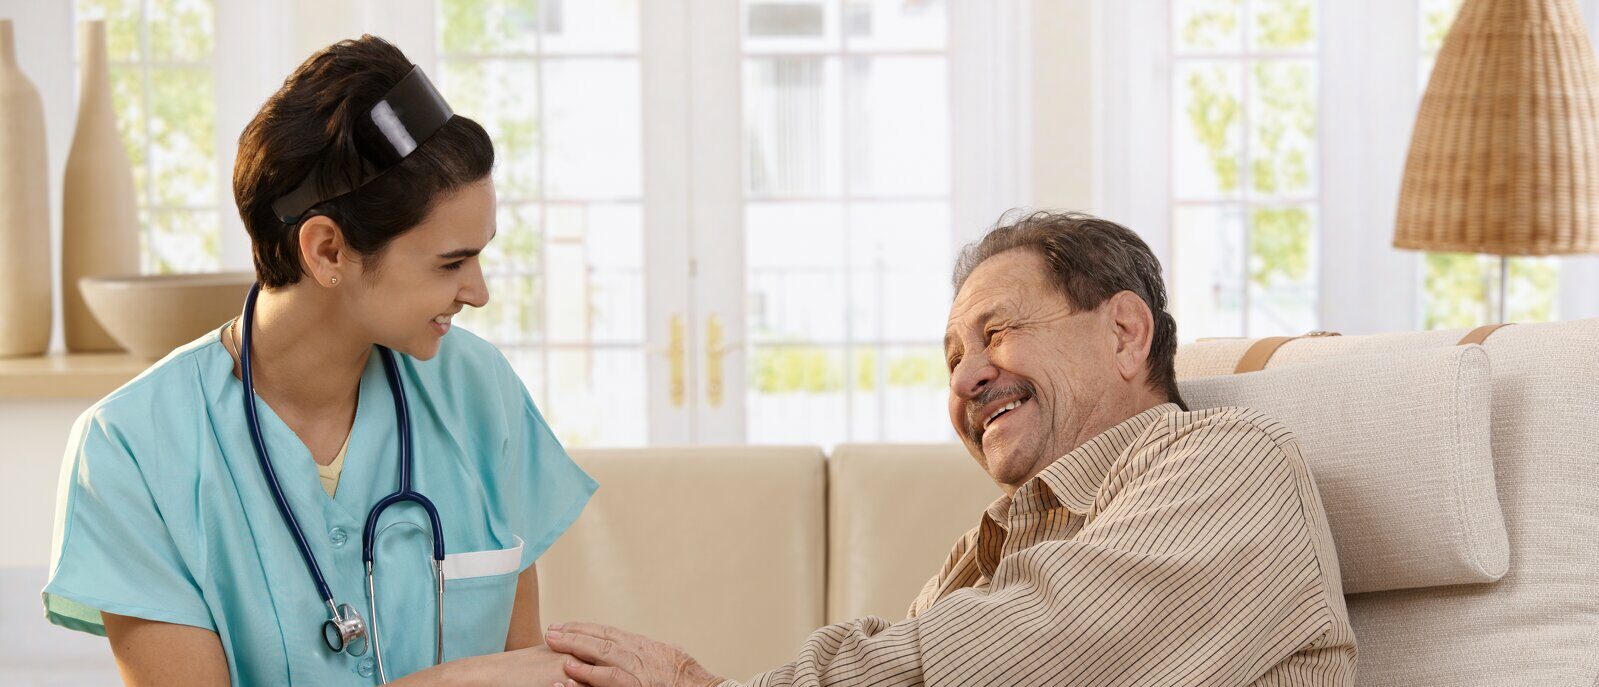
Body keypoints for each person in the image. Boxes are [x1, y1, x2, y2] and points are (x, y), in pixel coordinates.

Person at [543, 211, 1357, 686]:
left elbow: (1029, 654)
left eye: (996, 333)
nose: (968, 375)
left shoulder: (1229, 463)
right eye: (950, 358)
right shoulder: (999, 541)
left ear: (1123, 331)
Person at [43, 36, 590, 685]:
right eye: (450, 262)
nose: (478, 290)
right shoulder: (130, 448)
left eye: (479, 255)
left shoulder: (479, 389)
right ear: (327, 250)